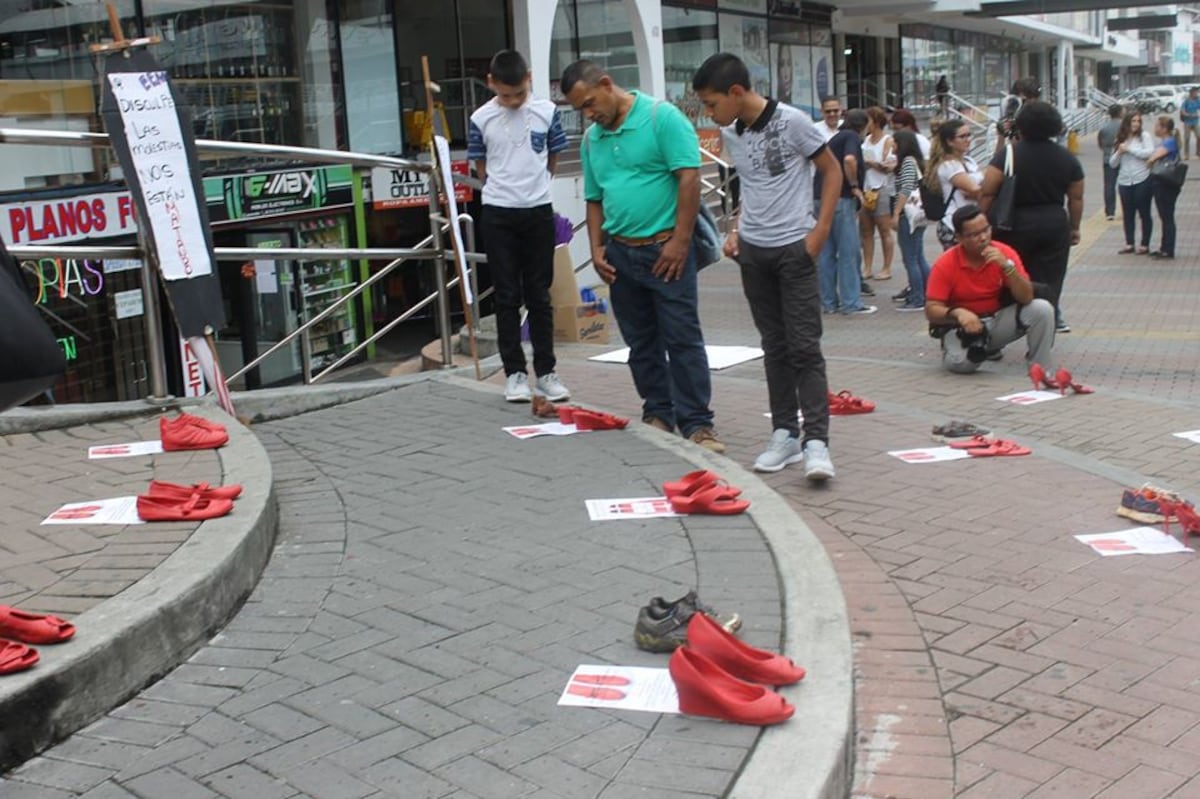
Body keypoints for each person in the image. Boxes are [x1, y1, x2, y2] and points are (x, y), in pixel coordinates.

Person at [561, 60, 724, 453]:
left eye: (588, 104)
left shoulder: (660, 117)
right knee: (640, 341)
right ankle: (658, 412)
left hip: (666, 249)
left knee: (682, 337)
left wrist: (680, 241)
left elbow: (688, 177)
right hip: (621, 253)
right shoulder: (592, 140)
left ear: (606, 82)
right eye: (580, 110)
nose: (588, 115)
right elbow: (595, 198)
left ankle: (698, 423)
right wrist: (597, 248)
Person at [692, 52, 840, 481]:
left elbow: (830, 173)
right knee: (773, 346)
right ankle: (785, 434)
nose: (709, 113)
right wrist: (737, 228)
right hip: (754, 253)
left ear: (736, 92)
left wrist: (819, 233)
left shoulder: (793, 121)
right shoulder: (731, 132)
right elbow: (752, 186)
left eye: (712, 103)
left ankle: (816, 443)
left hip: (795, 248)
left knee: (805, 347)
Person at [468, 50, 570, 404]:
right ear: (491, 82)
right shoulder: (480, 118)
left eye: (519, 94)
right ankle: (514, 373)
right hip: (498, 213)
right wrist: (503, 188)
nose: (512, 102)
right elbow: (479, 165)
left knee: (540, 295)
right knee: (507, 295)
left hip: (538, 210)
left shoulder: (547, 111)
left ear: (529, 78)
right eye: (505, 95)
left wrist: (536, 186)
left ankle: (546, 372)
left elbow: (554, 156)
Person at [980, 100, 1083, 334]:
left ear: (1021, 125)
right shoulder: (1067, 158)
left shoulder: (1008, 155)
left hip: (1012, 223)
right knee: (1050, 281)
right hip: (1054, 223)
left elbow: (988, 191)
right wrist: (1074, 227)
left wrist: (983, 222)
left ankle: (1000, 333)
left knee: (1008, 275)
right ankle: (1044, 332)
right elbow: (1076, 198)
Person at [925, 204, 1056, 374]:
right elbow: (931, 309)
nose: (983, 238)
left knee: (1042, 309)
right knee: (963, 365)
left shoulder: (1004, 252)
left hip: (996, 320)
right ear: (959, 238)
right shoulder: (945, 264)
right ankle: (966, 349)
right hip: (962, 326)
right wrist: (958, 313)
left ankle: (1041, 370)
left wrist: (1007, 268)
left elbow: (1026, 297)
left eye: (986, 230)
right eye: (974, 235)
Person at [816, 108, 877, 316]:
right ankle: (851, 302)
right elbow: (850, 160)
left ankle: (828, 302)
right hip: (840, 197)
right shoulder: (851, 137)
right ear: (863, 125)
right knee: (848, 251)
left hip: (819, 197)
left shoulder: (835, 139)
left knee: (826, 252)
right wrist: (854, 186)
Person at [890, 129, 931, 312]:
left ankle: (917, 297)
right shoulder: (916, 161)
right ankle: (927, 292)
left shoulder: (907, 161)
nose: (891, 145)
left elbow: (906, 189)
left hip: (909, 214)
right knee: (918, 255)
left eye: (894, 141)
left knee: (910, 258)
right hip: (919, 215)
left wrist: (895, 213)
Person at [927, 118, 982, 250]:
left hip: (969, 221)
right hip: (954, 224)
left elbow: (978, 189)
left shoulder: (969, 161)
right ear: (950, 141)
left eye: (969, 135)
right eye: (962, 136)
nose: (967, 139)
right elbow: (974, 189)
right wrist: (980, 192)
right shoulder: (949, 166)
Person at [1110, 110, 1156, 255]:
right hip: (1124, 181)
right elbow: (1112, 163)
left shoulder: (1144, 136)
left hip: (1141, 178)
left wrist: (1129, 149)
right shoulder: (1120, 138)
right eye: (1133, 121)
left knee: (1144, 212)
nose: (1136, 124)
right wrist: (1119, 151)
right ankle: (1129, 242)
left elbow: (1149, 153)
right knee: (1127, 213)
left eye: (1138, 121)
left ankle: (1145, 244)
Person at [859, 106, 896, 281]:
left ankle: (886, 267)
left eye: (869, 120)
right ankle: (867, 267)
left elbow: (889, 166)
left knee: (884, 229)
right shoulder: (865, 140)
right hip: (866, 188)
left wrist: (871, 162)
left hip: (881, 188)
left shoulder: (888, 140)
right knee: (866, 231)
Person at [1146, 115, 1182, 259]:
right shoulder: (1169, 141)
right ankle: (1164, 246)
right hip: (1165, 183)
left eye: (1157, 126)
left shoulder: (1168, 143)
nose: (1155, 128)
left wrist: (1150, 160)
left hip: (1165, 184)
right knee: (1165, 216)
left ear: (1164, 128)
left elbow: (1153, 158)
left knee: (1167, 216)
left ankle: (1168, 249)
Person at [994, 77, 1041, 158]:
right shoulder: (1005, 124)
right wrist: (1002, 135)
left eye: (1027, 100)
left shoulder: (1041, 122)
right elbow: (997, 161)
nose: (1023, 105)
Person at [1097, 103, 1124, 220]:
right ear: (1120, 113)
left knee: (1109, 185)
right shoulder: (1125, 126)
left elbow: (1100, 143)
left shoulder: (1104, 127)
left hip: (1107, 159)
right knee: (1125, 185)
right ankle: (1127, 208)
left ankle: (1110, 212)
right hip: (1123, 159)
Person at [1180, 87, 1200, 160]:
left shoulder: (1198, 100)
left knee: (1199, 136)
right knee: (1187, 138)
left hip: (1196, 121)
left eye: (1197, 92)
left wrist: (1197, 114)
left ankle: (1198, 152)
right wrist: (1189, 115)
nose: (1196, 94)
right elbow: (1182, 111)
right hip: (1187, 122)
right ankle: (1186, 154)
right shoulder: (1186, 101)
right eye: (1195, 92)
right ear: (1191, 93)